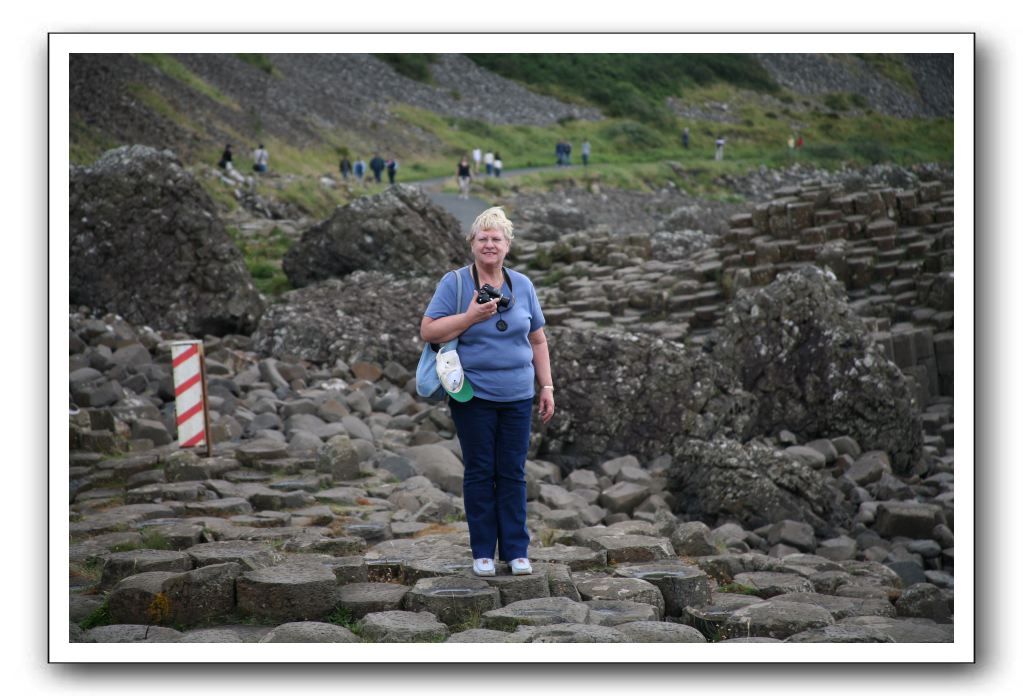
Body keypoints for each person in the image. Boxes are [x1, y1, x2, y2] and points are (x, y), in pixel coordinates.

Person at [420, 207, 555, 578]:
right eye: (483, 238)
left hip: (517, 397)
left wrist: (546, 386)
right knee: (480, 471)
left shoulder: (523, 285)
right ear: (473, 244)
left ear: (507, 245)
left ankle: (516, 551)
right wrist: (470, 318)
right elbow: (429, 331)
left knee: (512, 472)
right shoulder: (456, 283)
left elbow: (538, 339)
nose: (490, 244)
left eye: (497, 238)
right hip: (473, 396)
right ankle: (482, 552)